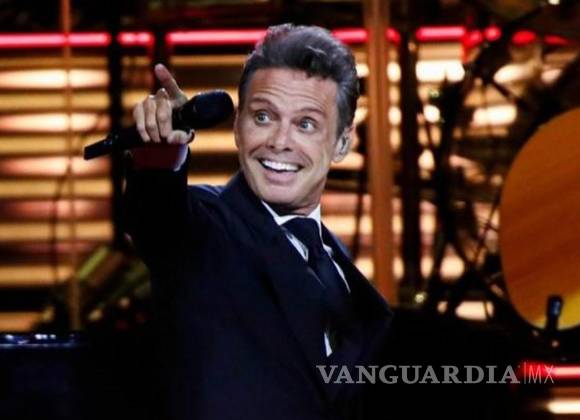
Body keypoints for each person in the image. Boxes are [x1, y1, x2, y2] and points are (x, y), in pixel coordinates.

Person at [124, 23, 393, 420]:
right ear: (237, 127)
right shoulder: (204, 229)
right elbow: (156, 217)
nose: (279, 141)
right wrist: (160, 154)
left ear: (342, 142)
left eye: (305, 124)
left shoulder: (333, 260)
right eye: (263, 117)